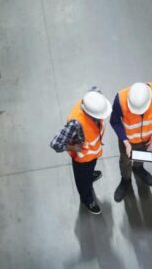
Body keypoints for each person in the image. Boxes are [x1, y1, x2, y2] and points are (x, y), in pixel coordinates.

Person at [50, 87, 112, 215]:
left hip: (93, 154)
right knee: (82, 181)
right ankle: (87, 199)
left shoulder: (93, 98)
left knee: (89, 170)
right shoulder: (76, 123)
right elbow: (55, 143)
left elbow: (95, 88)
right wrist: (72, 147)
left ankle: (89, 176)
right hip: (82, 159)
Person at [110, 82, 152, 202]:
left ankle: (138, 168)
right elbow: (115, 121)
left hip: (148, 137)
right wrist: (125, 141)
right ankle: (125, 180)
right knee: (125, 161)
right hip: (127, 140)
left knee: (141, 156)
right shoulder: (120, 99)